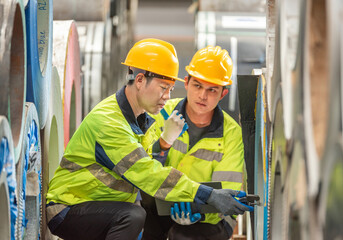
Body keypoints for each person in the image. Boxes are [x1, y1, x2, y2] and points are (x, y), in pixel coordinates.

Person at [45, 39, 248, 240]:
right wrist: (206, 194)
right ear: (140, 80)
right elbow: (147, 173)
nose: (168, 96)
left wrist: (200, 209)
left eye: (170, 89)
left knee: (140, 217)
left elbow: (148, 165)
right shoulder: (110, 122)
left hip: (106, 204)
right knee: (133, 216)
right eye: (163, 87)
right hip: (73, 206)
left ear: (223, 94)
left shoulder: (144, 119)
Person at [141, 45, 248, 240]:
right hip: (160, 204)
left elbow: (226, 193)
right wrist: (162, 145)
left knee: (184, 236)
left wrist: (196, 208)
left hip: (211, 217)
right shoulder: (160, 114)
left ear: (223, 94)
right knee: (137, 222)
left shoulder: (232, 135)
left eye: (212, 90)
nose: (203, 96)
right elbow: (142, 168)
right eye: (197, 85)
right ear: (187, 82)